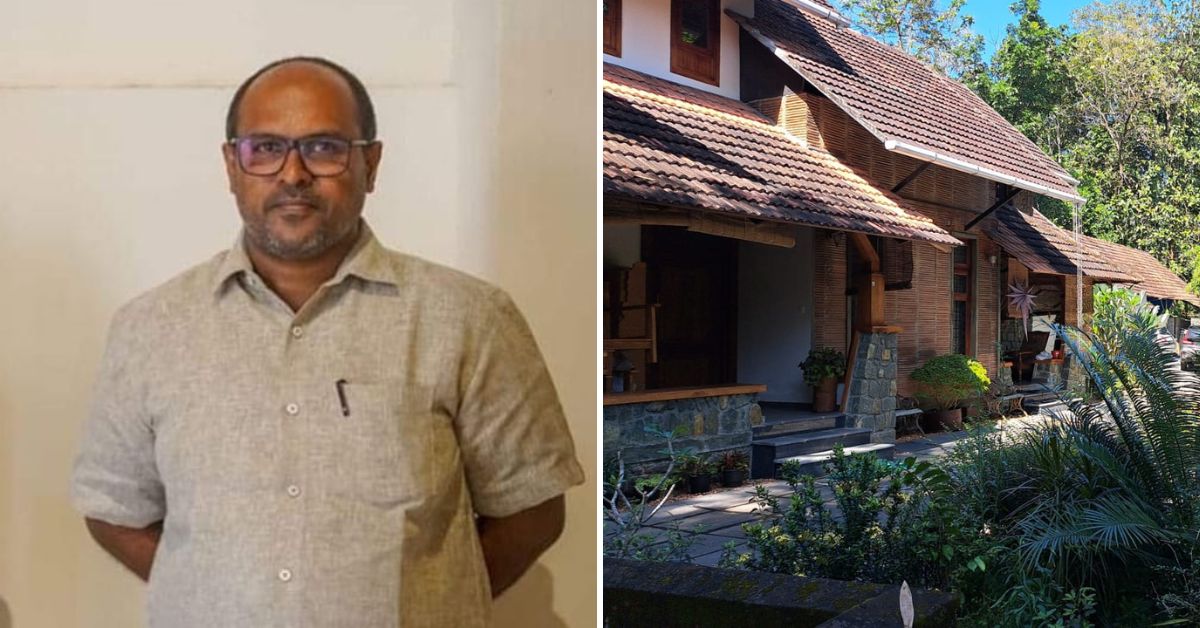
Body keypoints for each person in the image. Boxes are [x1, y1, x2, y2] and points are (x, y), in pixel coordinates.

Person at [69, 56, 585, 627]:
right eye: (264, 148)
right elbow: (114, 510)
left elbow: (532, 510)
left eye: (323, 148)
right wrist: (204, 589)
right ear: (231, 166)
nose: (292, 174)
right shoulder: (151, 328)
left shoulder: (467, 318)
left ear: (371, 162)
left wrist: (430, 599)